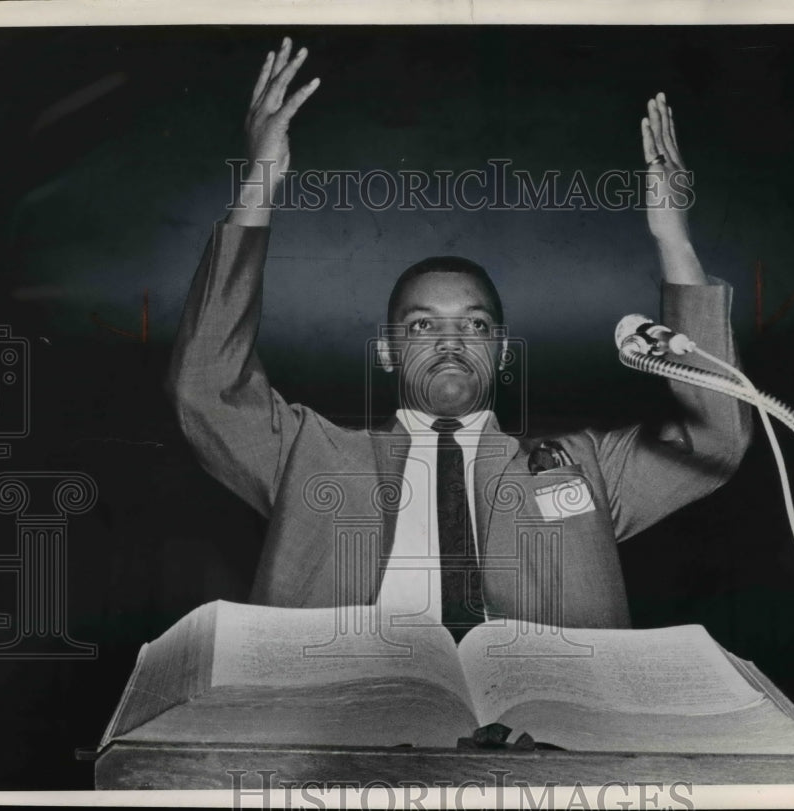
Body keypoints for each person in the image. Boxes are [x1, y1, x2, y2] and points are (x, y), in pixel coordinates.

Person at [166, 37, 752, 638]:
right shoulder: (308, 455)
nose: (451, 341)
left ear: (499, 351)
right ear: (389, 351)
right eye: (423, 325)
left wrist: (674, 240)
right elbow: (206, 387)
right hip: (346, 715)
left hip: (541, 722)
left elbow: (716, 437)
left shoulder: (583, 468)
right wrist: (260, 182)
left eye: (474, 325)